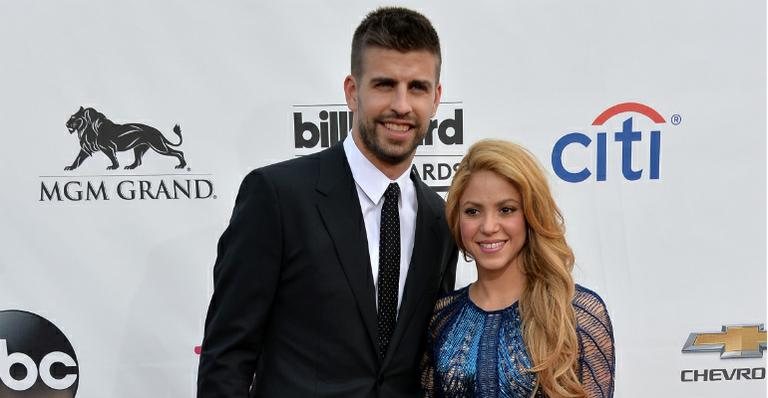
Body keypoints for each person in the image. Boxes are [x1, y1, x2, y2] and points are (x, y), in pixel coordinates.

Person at [197, 7, 458, 398]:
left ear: (436, 99)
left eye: (417, 87)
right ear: (353, 91)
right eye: (385, 85)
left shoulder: (441, 221)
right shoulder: (277, 196)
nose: (402, 106)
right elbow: (227, 357)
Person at [421, 140, 615, 397]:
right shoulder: (441, 318)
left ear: (530, 215)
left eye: (506, 209)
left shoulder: (574, 314)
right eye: (473, 211)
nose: (489, 226)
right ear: (457, 219)